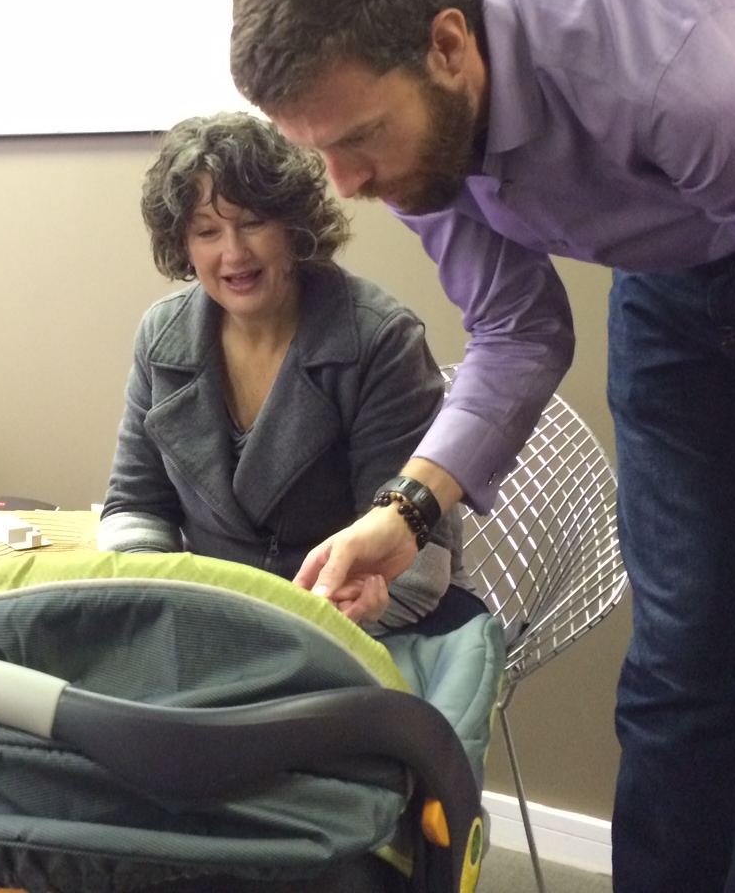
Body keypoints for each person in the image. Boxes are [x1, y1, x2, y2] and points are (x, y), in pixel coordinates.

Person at [228, 0, 735, 893]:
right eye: (318, 150)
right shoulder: (413, 149)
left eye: (357, 139)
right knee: (675, 670)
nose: (345, 181)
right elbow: (518, 331)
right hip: (681, 267)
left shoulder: (667, 57)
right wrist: (404, 512)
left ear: (449, 46)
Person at [98, 111, 482, 635]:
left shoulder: (380, 340)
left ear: (293, 224)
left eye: (253, 223)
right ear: (182, 243)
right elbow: (135, 506)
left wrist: (300, 626)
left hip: (356, 625)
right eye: (207, 231)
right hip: (207, 621)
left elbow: (416, 566)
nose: (234, 253)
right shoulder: (161, 336)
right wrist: (159, 607)